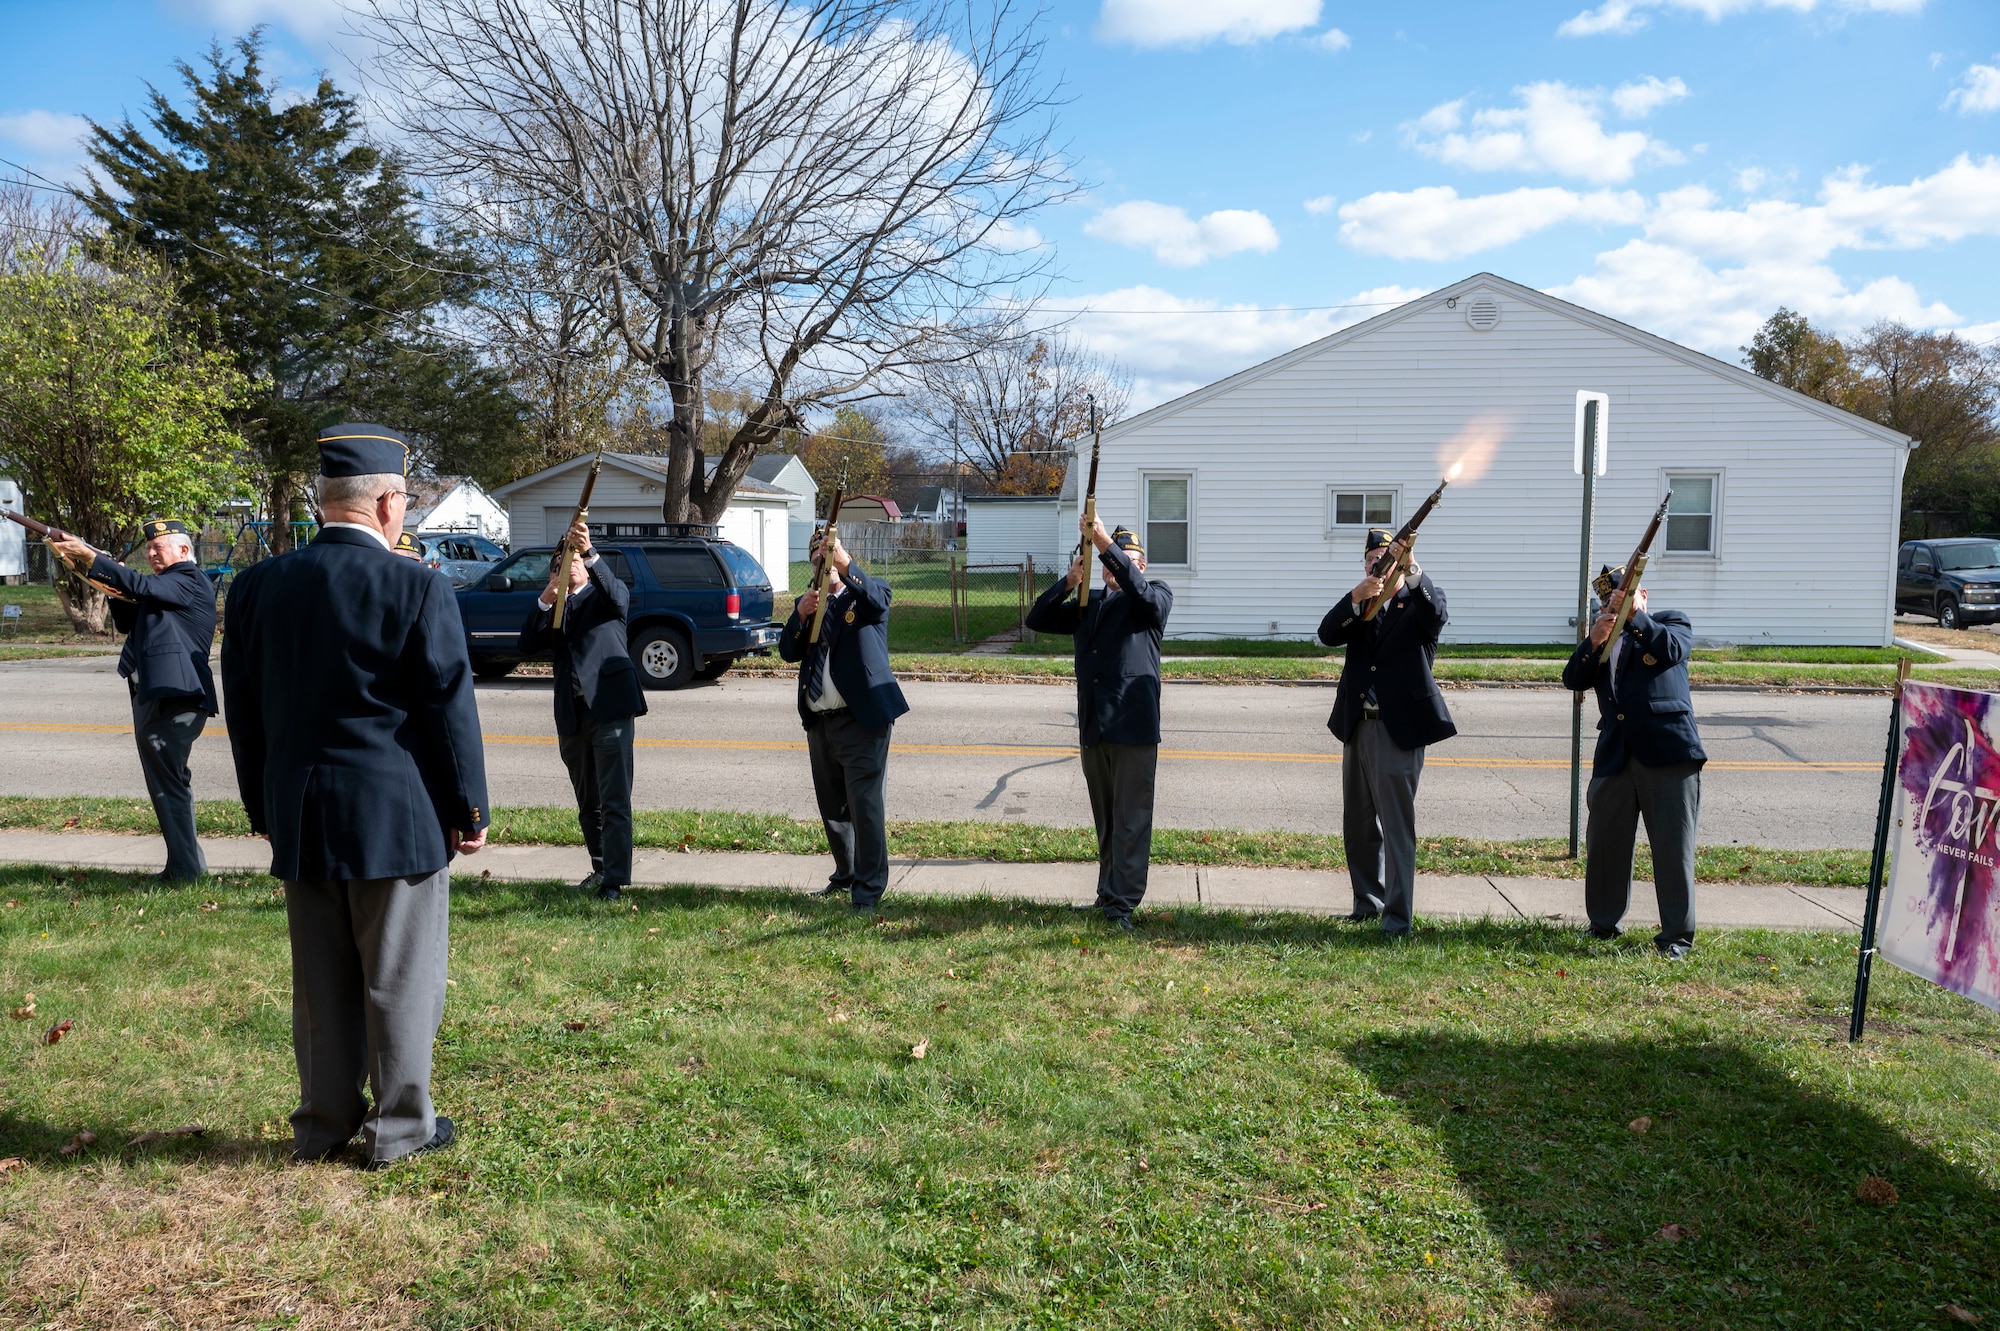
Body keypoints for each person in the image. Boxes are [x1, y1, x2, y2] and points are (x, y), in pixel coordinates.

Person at [221, 422, 490, 1169]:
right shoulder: (416, 583)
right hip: (395, 814)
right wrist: (469, 811)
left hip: (300, 814)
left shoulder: (254, 587)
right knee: (400, 976)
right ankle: (401, 1128)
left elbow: (244, 714)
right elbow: (447, 709)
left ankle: (324, 1123)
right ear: (387, 504)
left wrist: (265, 809)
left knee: (321, 983)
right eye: (403, 500)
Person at [47, 517, 217, 882]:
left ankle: (184, 869)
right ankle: (186, 863)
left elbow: (138, 585)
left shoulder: (188, 579)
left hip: (177, 698)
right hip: (157, 696)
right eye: (149, 549)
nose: (152, 553)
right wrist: (103, 574)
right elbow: (128, 616)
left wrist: (92, 557)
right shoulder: (161, 587)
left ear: (184, 551)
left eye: (160, 547)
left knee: (168, 783)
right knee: (166, 783)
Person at [1024, 517, 1173, 930]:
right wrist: (1070, 581)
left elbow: (1146, 599)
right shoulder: (1088, 604)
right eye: (1106, 562)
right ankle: (1108, 892)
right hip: (1095, 728)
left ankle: (1123, 904)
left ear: (1139, 565)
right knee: (1107, 820)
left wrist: (1106, 543)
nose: (1113, 567)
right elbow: (1036, 619)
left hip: (1133, 728)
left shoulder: (1152, 596)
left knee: (1132, 820)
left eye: (1124, 560)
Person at [1561, 567, 1706, 959]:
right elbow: (1573, 677)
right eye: (1611, 600)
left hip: (1668, 752)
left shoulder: (1669, 623)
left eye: (1626, 595)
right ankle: (1603, 925)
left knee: (1672, 849)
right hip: (1615, 754)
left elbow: (1671, 651)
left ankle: (1676, 937)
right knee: (1606, 845)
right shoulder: (1604, 639)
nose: (1618, 604)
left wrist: (1635, 617)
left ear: (1643, 593)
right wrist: (1594, 639)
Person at [1318, 528, 1456, 936]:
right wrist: (1357, 598)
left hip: (1397, 729)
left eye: (1386, 557)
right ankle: (1367, 902)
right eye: (1372, 558)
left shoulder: (1419, 601)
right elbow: (1327, 633)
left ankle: (1398, 918)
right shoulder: (1361, 606)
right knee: (1358, 823)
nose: (1377, 564)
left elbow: (1437, 616)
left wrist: (1412, 568)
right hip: (1357, 724)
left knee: (1396, 828)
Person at [777, 529, 908, 913]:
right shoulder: (810, 604)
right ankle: (846, 875)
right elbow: (787, 652)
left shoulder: (864, 594)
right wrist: (799, 615)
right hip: (821, 722)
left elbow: (881, 601)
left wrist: (847, 565)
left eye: (828, 552)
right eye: (816, 556)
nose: (823, 560)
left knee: (864, 805)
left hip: (862, 720)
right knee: (833, 806)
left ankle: (868, 890)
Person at [517, 519, 645, 902]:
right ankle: (600, 866)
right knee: (588, 801)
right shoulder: (557, 609)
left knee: (615, 800)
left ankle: (615, 881)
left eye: (574, 560)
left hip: (609, 710)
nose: (568, 566)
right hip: (572, 715)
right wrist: (546, 597)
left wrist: (590, 554)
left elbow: (620, 597)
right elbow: (525, 645)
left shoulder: (605, 598)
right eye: (561, 562)